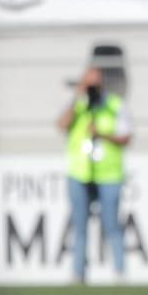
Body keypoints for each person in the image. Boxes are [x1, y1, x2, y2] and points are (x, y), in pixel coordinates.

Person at [59, 65, 132, 282]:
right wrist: (77, 95)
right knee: (79, 227)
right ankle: (78, 274)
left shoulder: (115, 105)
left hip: (108, 175)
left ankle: (119, 273)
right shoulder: (78, 105)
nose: (92, 88)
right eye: (88, 83)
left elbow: (126, 137)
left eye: (95, 83)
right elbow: (62, 125)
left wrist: (101, 135)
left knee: (111, 225)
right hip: (80, 174)